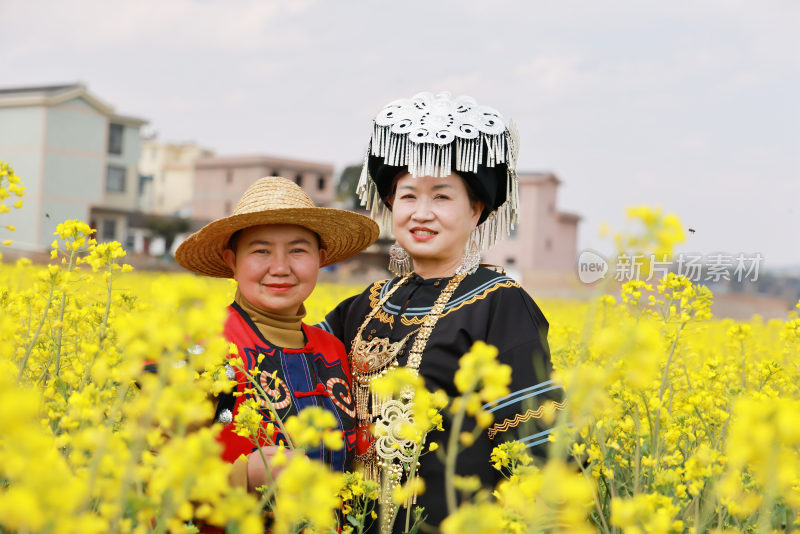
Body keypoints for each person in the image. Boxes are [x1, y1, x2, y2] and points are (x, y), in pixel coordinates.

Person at [319, 92, 564, 532]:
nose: (422, 213)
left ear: (477, 210)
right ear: (392, 205)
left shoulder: (499, 303)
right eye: (408, 196)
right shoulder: (365, 304)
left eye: (442, 197)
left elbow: (533, 446)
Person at [175, 176, 379, 492]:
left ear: (320, 260)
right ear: (233, 261)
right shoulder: (200, 342)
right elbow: (150, 469)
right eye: (261, 251)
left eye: (298, 250)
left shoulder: (333, 349)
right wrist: (243, 477)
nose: (281, 267)